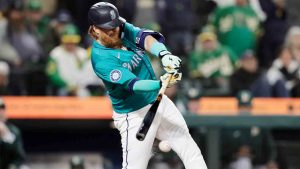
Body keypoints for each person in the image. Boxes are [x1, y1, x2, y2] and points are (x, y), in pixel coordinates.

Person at [88, 2, 207, 169]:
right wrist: (160, 83)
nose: (114, 31)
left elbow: (144, 38)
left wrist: (163, 53)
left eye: (115, 26)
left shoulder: (120, 28)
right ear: (95, 30)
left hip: (158, 101)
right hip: (134, 114)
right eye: (108, 29)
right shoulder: (101, 59)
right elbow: (133, 84)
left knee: (190, 149)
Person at [47, 24, 99, 96]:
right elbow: (52, 73)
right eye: (68, 42)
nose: (70, 44)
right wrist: (66, 85)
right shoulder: (55, 54)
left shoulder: (82, 53)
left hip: (81, 87)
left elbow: (88, 72)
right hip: (63, 87)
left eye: (73, 42)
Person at [0, 98, 27, 169]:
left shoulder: (13, 130)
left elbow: (19, 157)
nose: (1, 112)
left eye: (2, 109)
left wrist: (5, 136)